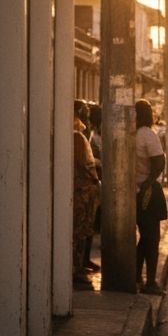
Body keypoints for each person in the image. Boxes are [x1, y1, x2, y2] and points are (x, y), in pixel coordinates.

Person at [135, 98, 168, 294]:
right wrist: (148, 183)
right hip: (148, 191)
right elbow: (159, 162)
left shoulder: (130, 134)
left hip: (135, 191)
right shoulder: (148, 135)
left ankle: (137, 276)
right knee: (152, 238)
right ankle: (150, 283)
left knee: (144, 237)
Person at [72, 100, 100, 290]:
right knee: (79, 232)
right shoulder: (76, 137)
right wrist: (95, 179)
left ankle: (80, 266)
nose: (85, 120)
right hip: (81, 191)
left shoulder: (78, 136)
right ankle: (76, 269)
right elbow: (85, 164)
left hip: (83, 190)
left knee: (83, 231)